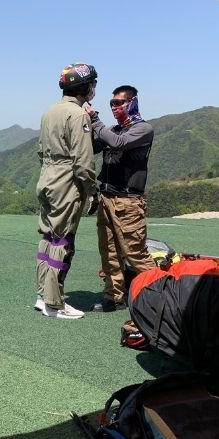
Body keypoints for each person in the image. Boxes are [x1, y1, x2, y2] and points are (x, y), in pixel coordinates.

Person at [35, 63, 99, 320]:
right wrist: (92, 190)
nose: (94, 88)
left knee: (47, 237)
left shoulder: (49, 111)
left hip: (46, 178)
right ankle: (54, 303)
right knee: (63, 241)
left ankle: (43, 295)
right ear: (85, 87)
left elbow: (40, 150)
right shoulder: (79, 115)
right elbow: (83, 161)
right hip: (66, 182)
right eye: (93, 84)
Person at [85, 85, 155, 312]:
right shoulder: (114, 130)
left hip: (128, 202)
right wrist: (85, 127)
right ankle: (113, 297)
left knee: (136, 253)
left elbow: (118, 143)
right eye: (112, 103)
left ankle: (160, 296)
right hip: (107, 198)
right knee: (109, 252)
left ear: (132, 102)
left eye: (119, 103)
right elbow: (93, 146)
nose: (114, 107)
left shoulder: (143, 129)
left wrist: (95, 120)